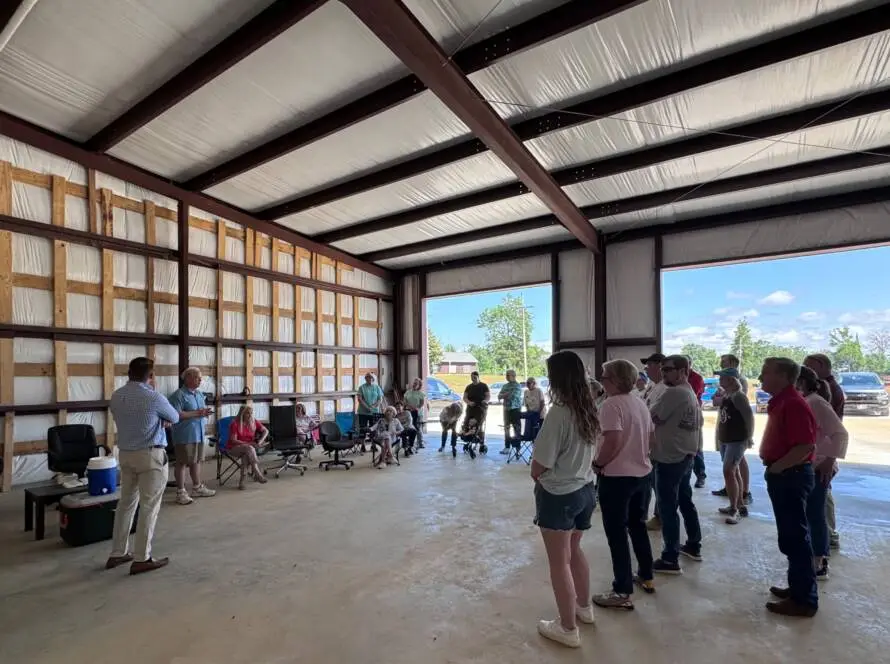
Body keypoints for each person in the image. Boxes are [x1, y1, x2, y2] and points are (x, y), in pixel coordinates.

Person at [531, 351, 598, 648]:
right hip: (585, 489)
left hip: (560, 493)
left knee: (559, 563)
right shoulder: (589, 408)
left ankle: (567, 628)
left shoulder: (559, 412)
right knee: (575, 550)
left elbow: (539, 464)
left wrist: (539, 477)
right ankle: (584, 608)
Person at [592, 359, 656, 610]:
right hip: (642, 475)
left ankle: (622, 590)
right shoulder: (639, 403)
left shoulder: (611, 404)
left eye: (605, 376)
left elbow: (613, 438)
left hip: (617, 478)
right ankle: (646, 575)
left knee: (616, 534)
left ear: (616, 380)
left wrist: (599, 463)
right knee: (637, 526)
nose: (602, 379)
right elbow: (652, 438)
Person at [106, 358, 179, 575]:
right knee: (149, 507)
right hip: (150, 455)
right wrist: (161, 421)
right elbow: (174, 417)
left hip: (126, 454)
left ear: (129, 373)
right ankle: (142, 557)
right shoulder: (153, 397)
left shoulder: (117, 396)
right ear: (151, 376)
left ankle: (117, 552)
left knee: (125, 504)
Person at [759, 357, 818, 617]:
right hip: (785, 474)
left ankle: (804, 599)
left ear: (783, 376)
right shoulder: (784, 401)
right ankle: (797, 588)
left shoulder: (793, 404)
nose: (760, 378)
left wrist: (778, 467)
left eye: (765, 373)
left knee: (795, 538)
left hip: (790, 476)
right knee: (791, 537)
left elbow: (805, 446)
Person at [650, 355, 703, 574]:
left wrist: (653, 409)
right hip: (685, 454)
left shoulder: (674, 392)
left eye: (668, 369)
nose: (664, 373)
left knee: (667, 506)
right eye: (663, 369)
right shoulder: (689, 391)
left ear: (683, 370)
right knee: (684, 500)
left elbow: (653, 415)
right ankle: (693, 543)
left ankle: (670, 557)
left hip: (670, 456)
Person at [796, 366, 848, 581]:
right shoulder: (808, 401)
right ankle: (815, 556)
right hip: (810, 465)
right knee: (810, 513)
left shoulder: (816, 403)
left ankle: (820, 560)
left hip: (818, 467)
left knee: (815, 514)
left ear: (802, 383)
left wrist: (830, 459)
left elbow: (840, 433)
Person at [804, 353, 844, 550]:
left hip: (822, 457)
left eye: (809, 366)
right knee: (818, 503)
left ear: (822, 366)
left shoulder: (823, 395)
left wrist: (830, 459)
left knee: (819, 505)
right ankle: (824, 537)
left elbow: (838, 432)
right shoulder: (820, 391)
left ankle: (827, 538)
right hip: (818, 456)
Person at [168, 367, 216, 505]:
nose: (200, 380)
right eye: (197, 377)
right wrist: (198, 413)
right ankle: (181, 492)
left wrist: (204, 413)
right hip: (184, 435)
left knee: (196, 461)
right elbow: (176, 415)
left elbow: (200, 411)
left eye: (200, 378)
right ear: (187, 378)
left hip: (199, 433)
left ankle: (197, 487)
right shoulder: (178, 395)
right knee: (182, 462)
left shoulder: (200, 394)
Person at [714, 368, 754, 524]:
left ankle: (735, 510)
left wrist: (749, 437)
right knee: (733, 472)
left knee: (729, 471)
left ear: (731, 380)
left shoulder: (739, 397)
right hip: (726, 439)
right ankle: (736, 504)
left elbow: (749, 418)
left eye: (722, 378)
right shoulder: (727, 395)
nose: (719, 381)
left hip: (736, 440)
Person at [640, 353, 667, 531]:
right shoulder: (653, 386)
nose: (646, 369)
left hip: (659, 442)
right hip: (649, 441)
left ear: (659, 366)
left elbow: (655, 415)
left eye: (649, 365)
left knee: (660, 485)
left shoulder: (665, 388)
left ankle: (660, 517)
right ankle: (654, 515)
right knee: (652, 482)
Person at [227, 405, 269, 490]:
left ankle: (242, 482)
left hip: (248, 449)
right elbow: (233, 440)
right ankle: (257, 473)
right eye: (248, 413)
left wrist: (260, 441)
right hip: (233, 448)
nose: (250, 415)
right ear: (242, 414)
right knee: (249, 448)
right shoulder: (235, 424)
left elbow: (266, 431)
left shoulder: (253, 421)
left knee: (246, 455)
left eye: (251, 413)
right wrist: (249, 444)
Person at [684, 356, 707, 489]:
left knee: (696, 445)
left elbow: (693, 394)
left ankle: (700, 475)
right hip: (679, 414)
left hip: (693, 413)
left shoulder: (696, 378)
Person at [498, 369, 523, 453]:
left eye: (508, 375)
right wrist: (506, 394)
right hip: (506, 409)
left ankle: (517, 448)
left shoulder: (517, 386)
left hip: (515, 409)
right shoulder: (505, 386)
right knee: (506, 428)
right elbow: (499, 396)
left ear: (514, 376)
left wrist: (504, 395)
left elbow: (513, 396)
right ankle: (507, 447)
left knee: (516, 428)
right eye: (506, 375)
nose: (507, 377)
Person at [403, 378, 426, 448]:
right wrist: (409, 407)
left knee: (418, 427)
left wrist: (416, 408)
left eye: (416, 384)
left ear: (419, 385)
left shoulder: (421, 393)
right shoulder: (408, 392)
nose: (414, 384)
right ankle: (410, 442)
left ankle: (420, 443)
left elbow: (422, 403)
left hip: (418, 413)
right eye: (414, 383)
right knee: (410, 427)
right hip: (409, 412)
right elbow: (405, 401)